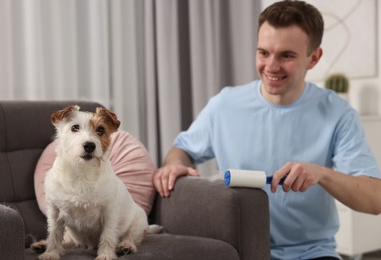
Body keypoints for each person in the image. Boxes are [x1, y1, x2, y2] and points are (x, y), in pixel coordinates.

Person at [152, 1, 381, 259]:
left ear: (313, 58)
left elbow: (375, 199)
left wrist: (322, 174)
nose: (271, 66)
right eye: (263, 53)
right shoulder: (224, 104)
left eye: (286, 55)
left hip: (310, 253)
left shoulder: (338, 114)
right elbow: (181, 149)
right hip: (238, 250)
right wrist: (173, 164)